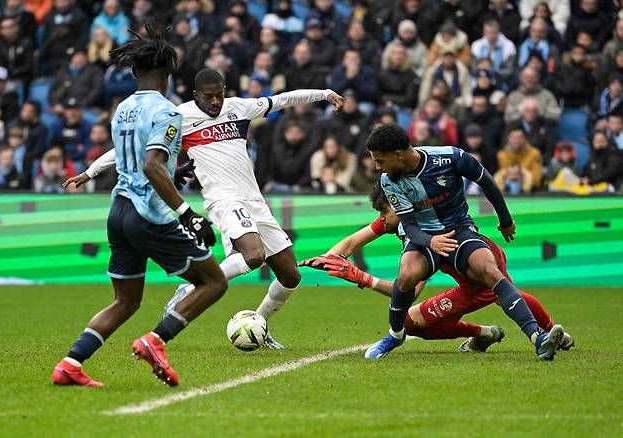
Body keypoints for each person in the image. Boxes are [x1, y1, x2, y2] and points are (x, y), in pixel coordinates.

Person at [67, 68, 344, 350]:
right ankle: (190, 287)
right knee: (253, 255)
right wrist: (90, 172)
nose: (215, 102)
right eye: (209, 97)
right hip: (222, 199)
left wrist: (324, 94)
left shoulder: (238, 108)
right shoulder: (179, 117)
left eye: (219, 95)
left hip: (254, 200)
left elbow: (282, 99)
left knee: (290, 276)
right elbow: (134, 150)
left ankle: (259, 325)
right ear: (195, 95)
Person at [53, 24, 227, 388]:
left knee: (126, 300)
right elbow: (150, 165)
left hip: (118, 210)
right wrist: (188, 215)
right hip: (148, 214)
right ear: (168, 72)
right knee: (214, 281)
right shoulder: (168, 112)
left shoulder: (122, 110)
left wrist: (173, 172)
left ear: (134, 71)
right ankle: (156, 340)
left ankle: (70, 363)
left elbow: (134, 163)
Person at [363, 124, 565, 360]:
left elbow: (486, 181)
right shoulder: (389, 180)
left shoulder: (450, 157)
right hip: (424, 236)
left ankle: (538, 338)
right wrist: (431, 241)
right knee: (407, 275)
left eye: (380, 160)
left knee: (488, 268)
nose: (378, 167)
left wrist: (506, 220)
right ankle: (395, 335)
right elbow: (409, 225)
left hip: (459, 229)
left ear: (398, 154)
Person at [299, 185, 574, 352]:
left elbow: (412, 290)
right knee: (409, 323)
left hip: (482, 262)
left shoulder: (425, 232)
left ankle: (549, 334)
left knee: (504, 294)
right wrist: (327, 257)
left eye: (385, 212)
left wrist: (361, 278)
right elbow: (351, 242)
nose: (381, 219)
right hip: (465, 280)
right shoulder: (396, 221)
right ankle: (485, 334)